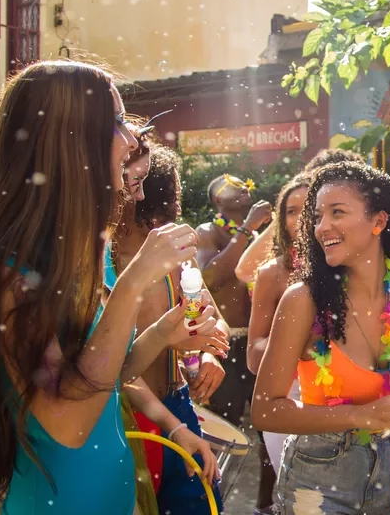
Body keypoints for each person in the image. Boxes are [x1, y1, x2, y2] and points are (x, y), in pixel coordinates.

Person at [0, 61, 221, 513]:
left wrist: (161, 334)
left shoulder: (81, 247)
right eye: (115, 122)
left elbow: (101, 377)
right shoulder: (7, 264)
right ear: (70, 140)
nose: (131, 139)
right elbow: (65, 423)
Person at [253, 162, 390, 514]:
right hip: (318, 480)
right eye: (318, 216)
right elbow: (265, 411)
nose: (322, 227)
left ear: (379, 222)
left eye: (337, 212)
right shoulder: (303, 301)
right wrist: (361, 415)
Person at [116, 143, 230, 514]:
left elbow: (211, 318)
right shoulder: (105, 260)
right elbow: (115, 364)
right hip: (124, 416)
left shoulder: (178, 258)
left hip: (176, 404)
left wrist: (210, 354)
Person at [242, 173, 310, 515]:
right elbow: (254, 357)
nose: (299, 219)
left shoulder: (354, 267)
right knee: (301, 499)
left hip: (346, 399)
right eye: (291, 211)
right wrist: (298, 346)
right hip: (289, 399)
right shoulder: (272, 273)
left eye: (308, 208)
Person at [196, 173, 272, 430]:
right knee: (223, 428)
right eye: (234, 185)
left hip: (259, 343)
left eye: (245, 183)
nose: (244, 187)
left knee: (270, 430)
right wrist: (247, 228)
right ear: (218, 198)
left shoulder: (255, 238)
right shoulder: (207, 232)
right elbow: (211, 278)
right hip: (225, 344)